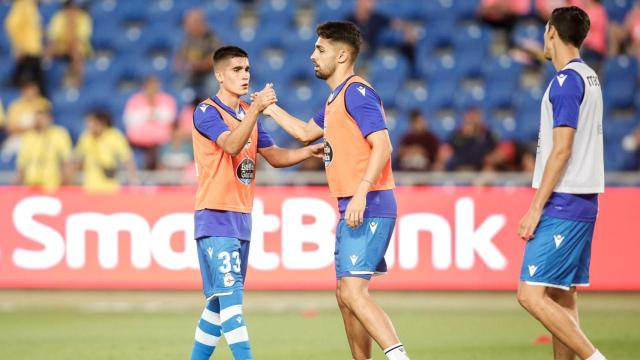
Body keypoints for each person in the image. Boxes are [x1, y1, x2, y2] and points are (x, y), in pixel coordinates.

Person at [261, 21, 409, 360]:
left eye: (320, 49)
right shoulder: (335, 99)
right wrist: (266, 108)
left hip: (368, 203)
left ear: (342, 55)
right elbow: (302, 133)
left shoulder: (356, 92)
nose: (312, 55)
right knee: (345, 295)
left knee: (353, 292)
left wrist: (361, 193)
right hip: (354, 205)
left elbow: (383, 146)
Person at [189, 46, 323, 360]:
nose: (245, 75)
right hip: (216, 216)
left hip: (241, 219)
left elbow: (274, 156)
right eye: (236, 70)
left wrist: (308, 151)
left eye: (247, 69)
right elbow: (232, 145)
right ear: (219, 76)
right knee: (233, 306)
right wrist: (255, 110)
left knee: (218, 306)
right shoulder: (207, 111)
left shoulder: (245, 115)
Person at [516, 7, 606, 360]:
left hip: (564, 201)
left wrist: (535, 208)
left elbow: (562, 150)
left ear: (551, 32)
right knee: (560, 295)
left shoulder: (566, 81)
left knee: (530, 294)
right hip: (584, 200)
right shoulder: (590, 77)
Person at [72, 111, 137, 193]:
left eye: (92, 122)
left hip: (110, 187)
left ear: (101, 122)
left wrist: (133, 181)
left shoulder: (114, 136)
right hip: (90, 187)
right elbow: (78, 159)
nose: (89, 126)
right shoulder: (86, 137)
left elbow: (127, 159)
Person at [123, 75, 177, 169]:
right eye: (150, 86)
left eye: (155, 86)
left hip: (161, 143)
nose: (152, 89)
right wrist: (150, 113)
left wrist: (150, 113)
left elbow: (169, 118)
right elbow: (129, 120)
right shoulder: (134, 100)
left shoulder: (167, 99)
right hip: (137, 143)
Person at [15, 108, 72, 192]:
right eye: (36, 119)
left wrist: (65, 181)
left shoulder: (59, 134)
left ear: (49, 119)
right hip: (31, 185)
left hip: (52, 186)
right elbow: (22, 163)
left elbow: (67, 160)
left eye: (41, 119)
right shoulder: (28, 136)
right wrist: (17, 183)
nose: (39, 122)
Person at [47, 0, 93, 87]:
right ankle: (48, 83)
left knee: (75, 51)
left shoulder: (83, 17)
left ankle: (79, 83)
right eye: (67, 7)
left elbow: (80, 39)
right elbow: (52, 37)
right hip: (62, 48)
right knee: (46, 50)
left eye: (71, 6)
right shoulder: (58, 17)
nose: (69, 10)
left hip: (80, 49)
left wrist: (71, 26)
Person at [4, 0, 45, 93]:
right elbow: (11, 26)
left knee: (38, 85)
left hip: (35, 50)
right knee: (26, 84)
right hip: (27, 51)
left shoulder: (32, 6)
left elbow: (34, 28)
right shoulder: (23, 4)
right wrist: (19, 45)